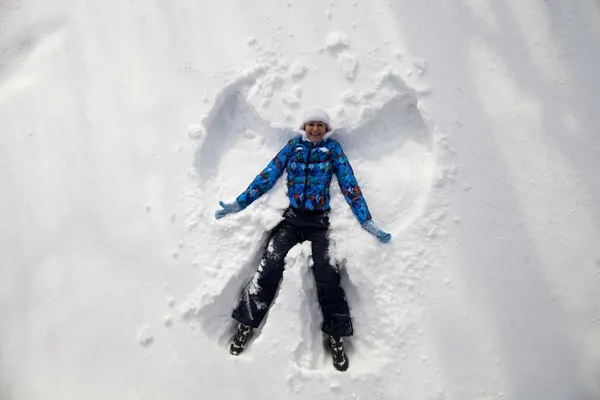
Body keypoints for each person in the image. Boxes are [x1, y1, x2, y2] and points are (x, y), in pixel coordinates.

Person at [215, 107, 391, 372]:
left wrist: (366, 220)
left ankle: (336, 336)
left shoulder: (333, 151)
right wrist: (239, 204)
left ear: (327, 129)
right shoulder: (292, 148)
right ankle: (246, 325)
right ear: (303, 127)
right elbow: (267, 175)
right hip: (292, 220)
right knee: (269, 266)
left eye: (320, 125)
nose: (315, 129)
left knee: (327, 275)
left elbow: (349, 184)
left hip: (320, 224)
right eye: (311, 124)